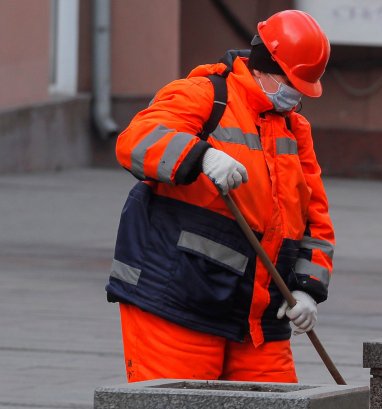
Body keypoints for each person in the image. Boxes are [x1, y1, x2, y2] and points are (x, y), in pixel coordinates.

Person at [106, 10, 335, 383]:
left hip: (259, 316)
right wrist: (199, 155)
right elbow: (135, 141)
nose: (294, 96)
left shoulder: (294, 128)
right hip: (180, 300)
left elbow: (315, 219)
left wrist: (307, 289)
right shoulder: (203, 94)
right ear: (263, 66)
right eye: (289, 83)